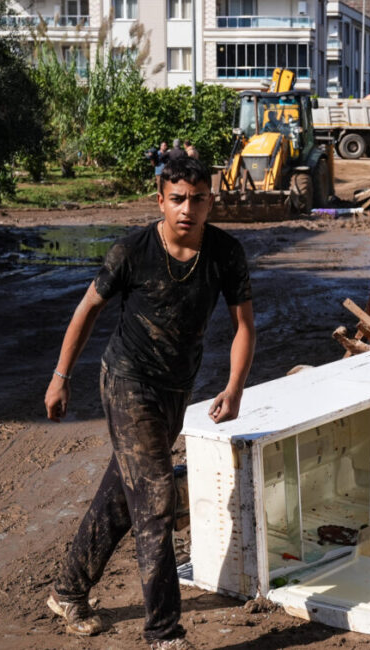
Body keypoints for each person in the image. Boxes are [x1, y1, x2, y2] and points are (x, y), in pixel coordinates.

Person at [43, 156, 256, 650]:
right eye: (177, 198)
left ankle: (68, 590)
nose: (187, 209)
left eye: (198, 199)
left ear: (210, 201)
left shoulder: (226, 252)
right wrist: (60, 378)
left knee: (123, 493)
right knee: (157, 501)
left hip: (175, 389)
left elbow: (245, 326)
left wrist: (235, 386)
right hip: (126, 381)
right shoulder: (132, 251)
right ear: (160, 200)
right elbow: (87, 310)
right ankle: (164, 634)